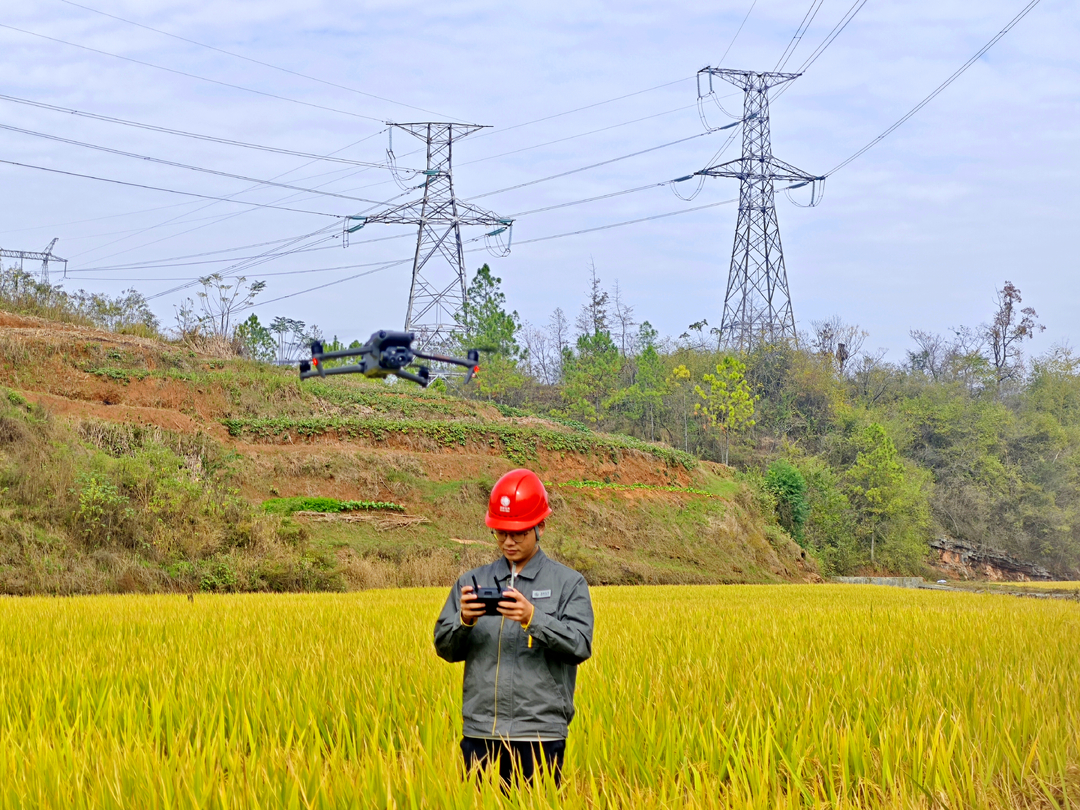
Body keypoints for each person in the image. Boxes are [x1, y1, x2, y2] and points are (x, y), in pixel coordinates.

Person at [434, 468, 594, 787]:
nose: (508, 541)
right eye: (501, 532)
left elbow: (579, 646)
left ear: (541, 527)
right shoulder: (472, 582)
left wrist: (533, 617)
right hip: (481, 733)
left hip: (540, 735)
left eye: (518, 533)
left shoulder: (569, 584)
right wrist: (464, 620)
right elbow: (445, 648)